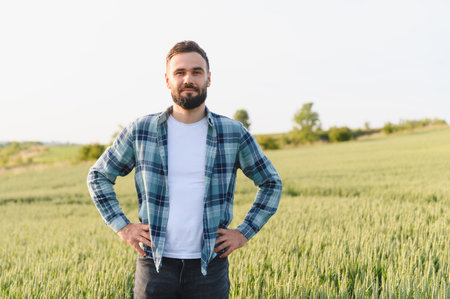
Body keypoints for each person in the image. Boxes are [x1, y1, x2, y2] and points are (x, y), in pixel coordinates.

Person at [87, 40, 282, 299]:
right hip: (154, 264)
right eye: (179, 72)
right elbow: (98, 176)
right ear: (167, 80)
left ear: (208, 79)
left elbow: (271, 182)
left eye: (196, 72)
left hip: (209, 267)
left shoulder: (232, 133)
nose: (188, 79)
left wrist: (243, 233)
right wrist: (123, 227)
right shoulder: (141, 131)